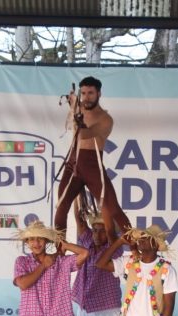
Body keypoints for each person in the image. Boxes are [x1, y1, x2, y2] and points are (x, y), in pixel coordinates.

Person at [54, 76, 131, 244]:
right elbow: (73, 120)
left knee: (113, 208)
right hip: (73, 165)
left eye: (90, 93)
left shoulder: (105, 119)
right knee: (60, 208)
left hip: (92, 166)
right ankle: (59, 251)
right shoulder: (77, 108)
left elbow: (84, 134)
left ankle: (134, 248)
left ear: (99, 94)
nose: (86, 97)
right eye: (83, 93)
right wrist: (73, 105)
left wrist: (76, 112)